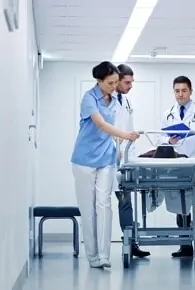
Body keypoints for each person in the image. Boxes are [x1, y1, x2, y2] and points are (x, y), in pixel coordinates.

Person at [71, 61, 140, 269]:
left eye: (116, 82)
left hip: (107, 158)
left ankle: (104, 254)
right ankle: (91, 256)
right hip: (84, 159)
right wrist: (126, 136)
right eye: (110, 83)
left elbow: (118, 122)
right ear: (99, 81)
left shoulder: (115, 100)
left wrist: (120, 145)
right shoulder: (89, 98)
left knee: (104, 204)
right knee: (88, 208)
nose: (113, 86)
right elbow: (101, 123)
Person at [160, 76, 195, 257]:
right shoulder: (168, 113)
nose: (180, 94)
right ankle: (185, 245)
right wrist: (169, 139)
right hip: (178, 162)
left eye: (184, 91)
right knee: (180, 203)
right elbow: (161, 138)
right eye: (177, 91)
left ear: (191, 91)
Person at [112, 64, 150, 258]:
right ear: (116, 80)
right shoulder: (107, 101)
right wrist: (115, 149)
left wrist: (130, 158)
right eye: (127, 82)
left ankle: (130, 242)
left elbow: (129, 131)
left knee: (126, 202)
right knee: (115, 203)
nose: (130, 86)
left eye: (131, 82)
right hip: (109, 160)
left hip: (125, 159)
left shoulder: (125, 101)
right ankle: (123, 244)